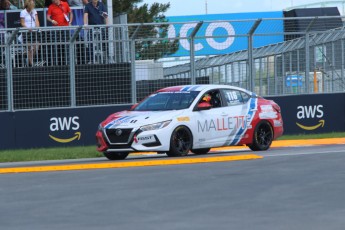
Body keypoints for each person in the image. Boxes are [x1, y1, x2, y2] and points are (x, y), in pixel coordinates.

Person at [20, 0, 40, 66]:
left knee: (36, 46)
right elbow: (22, 23)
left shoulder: (34, 11)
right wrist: (28, 29)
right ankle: (30, 62)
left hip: (34, 31)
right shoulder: (23, 12)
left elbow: (37, 21)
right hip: (27, 32)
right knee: (29, 47)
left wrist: (37, 28)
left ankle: (29, 59)